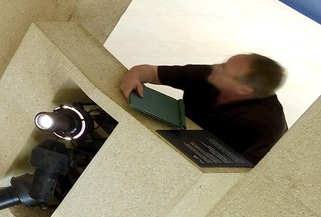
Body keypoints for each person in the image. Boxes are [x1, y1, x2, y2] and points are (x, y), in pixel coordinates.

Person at [119, 54, 287, 163]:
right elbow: (151, 72)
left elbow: (212, 162)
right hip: (187, 139)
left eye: (224, 69)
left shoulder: (258, 123)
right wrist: (133, 76)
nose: (215, 66)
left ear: (244, 89)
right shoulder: (212, 75)